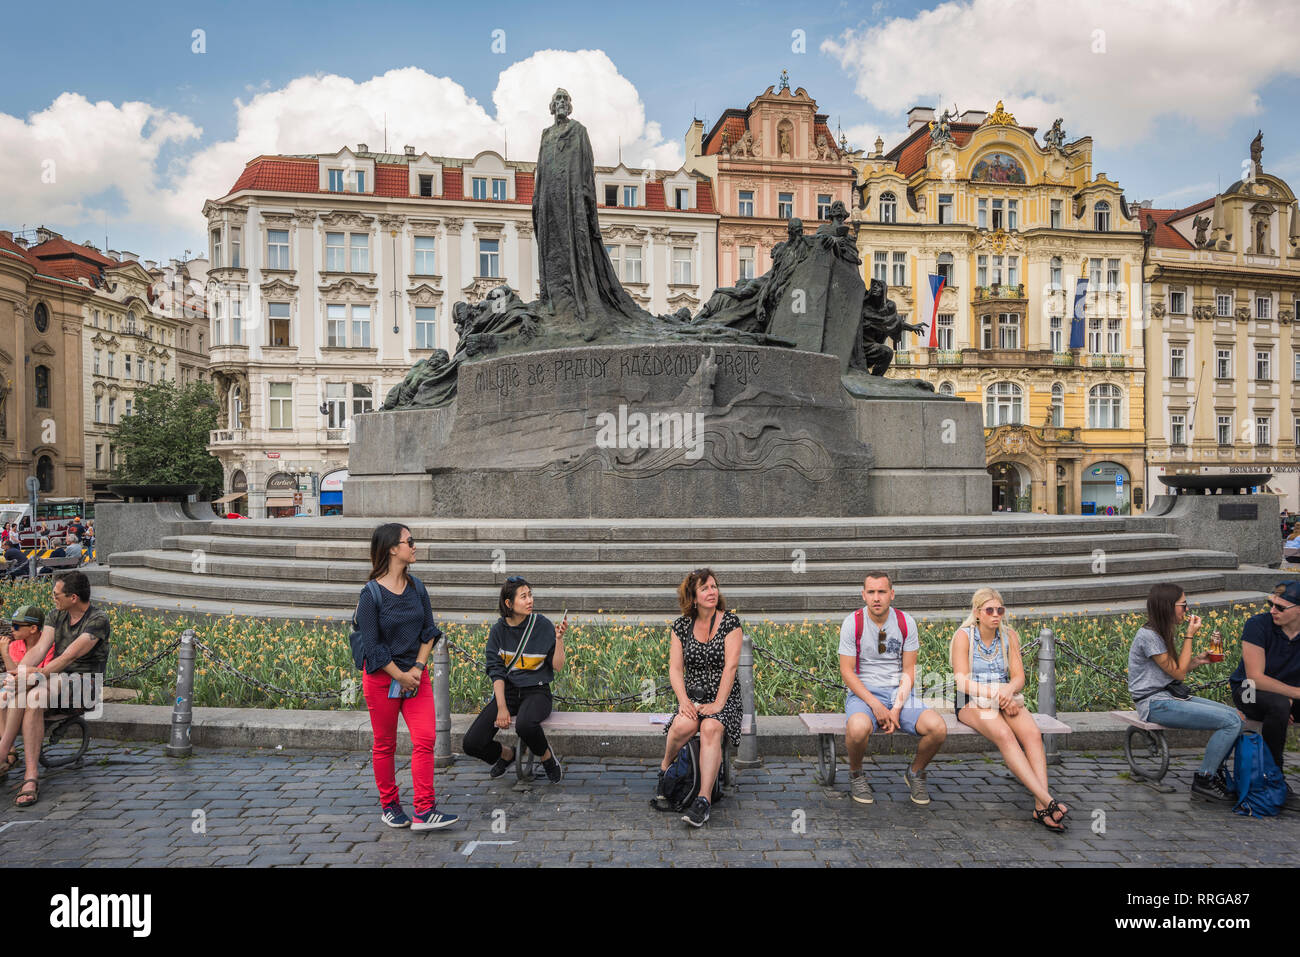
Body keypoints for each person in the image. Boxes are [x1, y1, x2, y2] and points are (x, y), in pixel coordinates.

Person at [353, 523, 457, 831]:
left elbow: (429, 631)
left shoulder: (418, 587)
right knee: (384, 743)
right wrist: (400, 675)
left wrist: (418, 668)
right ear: (392, 549)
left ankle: (424, 810)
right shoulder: (370, 595)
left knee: (425, 738)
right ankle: (390, 805)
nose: (415, 545)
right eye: (409, 541)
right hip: (383, 678)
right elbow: (372, 646)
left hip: (415, 675)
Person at [950, 588, 1070, 831]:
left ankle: (1040, 806)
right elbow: (962, 681)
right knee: (1004, 735)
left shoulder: (1009, 636)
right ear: (977, 613)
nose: (996, 615)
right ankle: (1049, 801)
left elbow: (1018, 678)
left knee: (1033, 735)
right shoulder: (964, 636)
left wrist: (1006, 692)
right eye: (990, 610)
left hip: (1005, 697)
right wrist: (997, 694)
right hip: (972, 700)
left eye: (1000, 610)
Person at [839, 571, 947, 805]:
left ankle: (916, 772)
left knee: (937, 728)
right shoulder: (853, 622)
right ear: (863, 595)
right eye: (871, 592)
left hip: (900, 693)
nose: (876, 597)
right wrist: (876, 705)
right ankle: (856, 773)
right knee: (857, 729)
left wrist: (896, 707)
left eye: (882, 592)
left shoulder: (905, 622)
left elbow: (909, 670)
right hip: (864, 694)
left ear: (892, 594)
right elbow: (847, 671)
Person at [4, 572, 109, 809]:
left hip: (84, 685)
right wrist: (21, 673)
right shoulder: (56, 615)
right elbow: (40, 648)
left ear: (73, 597)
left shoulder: (97, 619)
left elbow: (68, 656)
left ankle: (26, 774)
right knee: (26, 694)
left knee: (35, 695)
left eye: (56, 594)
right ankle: (18, 765)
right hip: (55, 680)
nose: (52, 598)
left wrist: (33, 676)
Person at [1128, 584, 1239, 803]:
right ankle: (1204, 778)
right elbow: (1178, 674)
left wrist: (1198, 660)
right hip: (1154, 703)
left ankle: (1213, 770)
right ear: (1168, 607)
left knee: (1237, 717)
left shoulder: (1160, 631)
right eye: (1183, 605)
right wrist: (1190, 636)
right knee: (1231, 722)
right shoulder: (1148, 636)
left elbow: (1172, 669)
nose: (1187, 610)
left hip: (1169, 696)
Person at [658, 568, 743, 827]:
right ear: (693, 597)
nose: (712, 592)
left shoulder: (730, 623)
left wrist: (718, 703)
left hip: (725, 698)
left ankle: (703, 799)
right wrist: (683, 701)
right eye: (705, 588)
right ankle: (664, 769)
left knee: (710, 727)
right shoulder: (681, 626)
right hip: (693, 696)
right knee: (683, 724)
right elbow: (675, 669)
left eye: (714, 587)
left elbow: (730, 667)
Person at [462, 577, 568, 782]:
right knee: (472, 743)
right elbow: (496, 672)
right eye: (523, 597)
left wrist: (559, 639)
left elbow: (558, 666)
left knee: (525, 725)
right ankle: (507, 755)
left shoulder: (542, 625)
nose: (530, 600)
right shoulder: (498, 631)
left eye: (530, 595)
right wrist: (501, 706)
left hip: (537, 691)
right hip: (508, 692)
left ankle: (546, 757)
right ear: (509, 603)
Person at [1230, 581, 1300, 808]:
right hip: (1248, 691)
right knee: (1279, 705)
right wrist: (1291, 696)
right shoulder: (1258, 625)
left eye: (1280, 607)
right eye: (1271, 604)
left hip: (1287, 695)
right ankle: (1273, 776)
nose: (1272, 610)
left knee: (1279, 704)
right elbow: (1254, 677)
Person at [0, 606, 55, 780]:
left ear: (33, 629)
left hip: (41, 687)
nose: (12, 630)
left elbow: (42, 672)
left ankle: (6, 752)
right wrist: (6, 652)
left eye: (16, 626)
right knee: (2, 697)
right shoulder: (15, 645)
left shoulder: (47, 646)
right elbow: (14, 674)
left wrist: (5, 655)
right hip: (19, 686)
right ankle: (10, 750)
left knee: (10, 695)